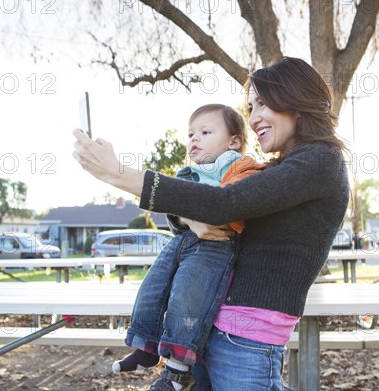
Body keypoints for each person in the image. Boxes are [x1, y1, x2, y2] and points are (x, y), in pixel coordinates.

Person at [73, 56, 350, 391]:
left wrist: (118, 174)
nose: (254, 118)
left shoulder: (319, 161)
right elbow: (214, 200)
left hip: (246, 337)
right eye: (250, 107)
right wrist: (189, 219)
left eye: (263, 104)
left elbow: (223, 203)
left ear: (295, 99)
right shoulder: (280, 166)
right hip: (210, 325)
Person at [112, 103, 264, 390]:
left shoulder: (244, 168)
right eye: (191, 133)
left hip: (216, 244)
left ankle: (178, 369)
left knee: (187, 298)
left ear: (234, 141)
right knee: (152, 286)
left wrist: (193, 210)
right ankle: (145, 344)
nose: (194, 138)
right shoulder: (188, 174)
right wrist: (187, 217)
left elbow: (230, 204)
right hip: (182, 240)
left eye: (205, 132)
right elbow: (174, 210)